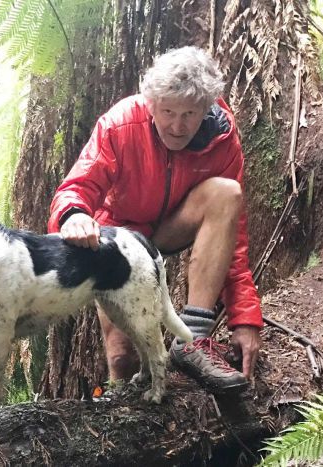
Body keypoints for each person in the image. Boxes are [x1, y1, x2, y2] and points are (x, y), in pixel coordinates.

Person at [47, 46, 263, 393]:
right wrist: (74, 215)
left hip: (171, 227)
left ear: (207, 108)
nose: (177, 126)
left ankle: (192, 340)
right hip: (119, 239)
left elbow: (233, 237)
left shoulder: (222, 139)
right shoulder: (121, 124)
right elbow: (77, 186)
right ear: (151, 104)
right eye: (168, 111)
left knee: (227, 193)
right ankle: (120, 412)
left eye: (190, 114)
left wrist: (246, 317)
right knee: (122, 357)